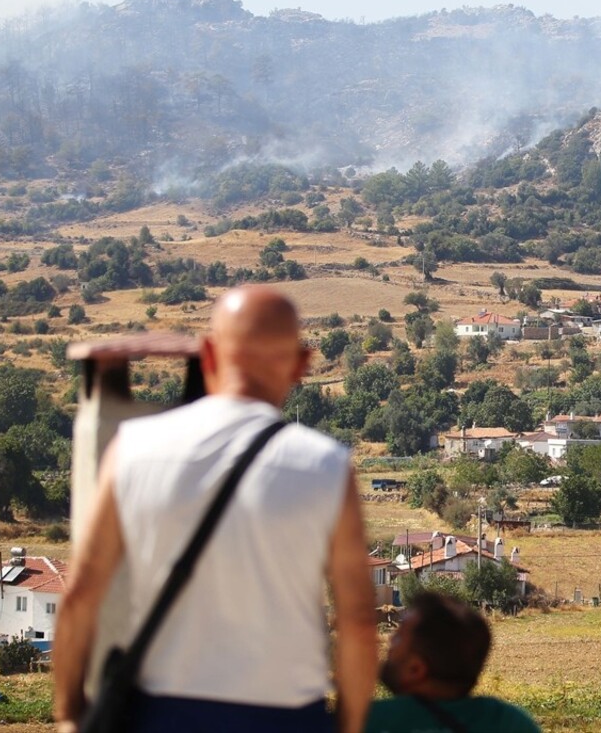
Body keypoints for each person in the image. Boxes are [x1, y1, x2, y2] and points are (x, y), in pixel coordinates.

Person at [53, 285, 378, 733]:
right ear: (302, 365)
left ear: (208, 353)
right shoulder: (325, 466)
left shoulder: (133, 449)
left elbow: (81, 594)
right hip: (287, 716)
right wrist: (350, 724)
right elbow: (358, 621)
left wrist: (69, 711)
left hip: (162, 715)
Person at [366, 591, 541, 733]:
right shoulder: (508, 722)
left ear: (416, 669)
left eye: (398, 638)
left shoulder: (373, 721)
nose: (388, 644)